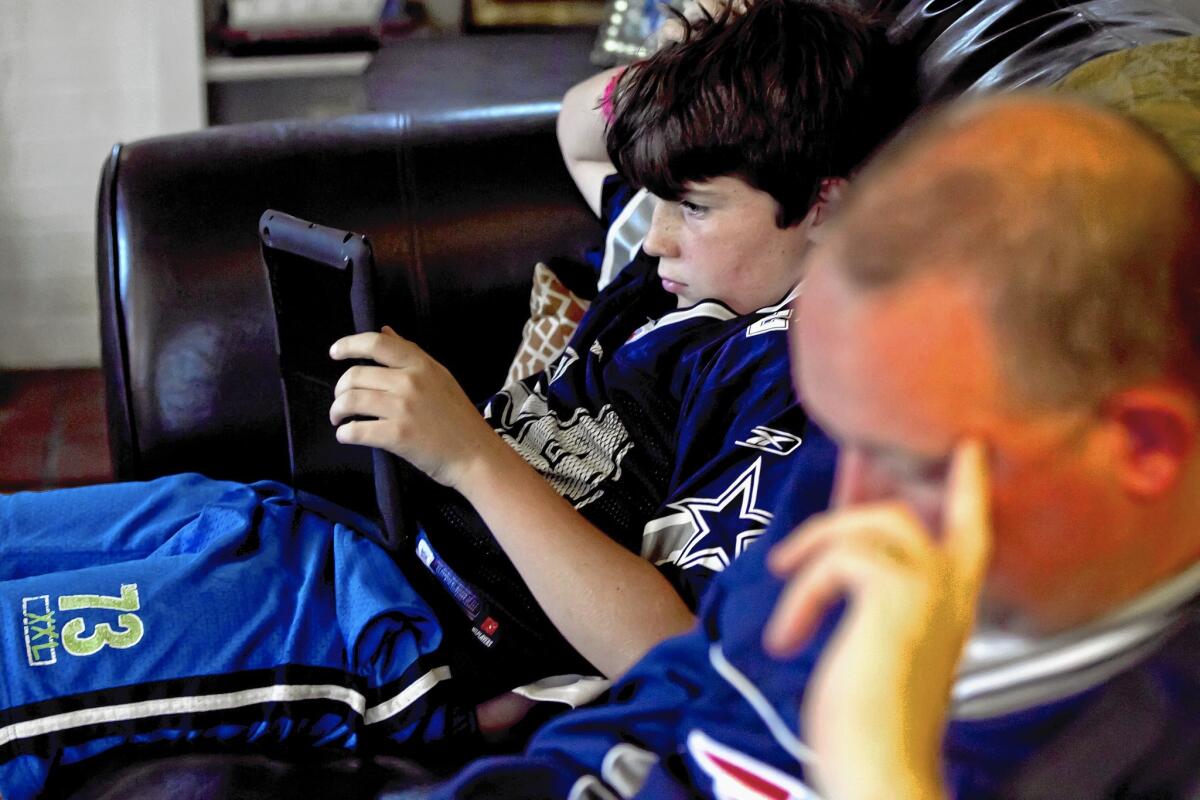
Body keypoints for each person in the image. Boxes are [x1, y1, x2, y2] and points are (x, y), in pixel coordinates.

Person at [0, 2, 913, 796]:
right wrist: (703, 65)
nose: (658, 234)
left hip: (394, 620)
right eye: (659, 199)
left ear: (826, 204)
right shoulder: (684, 266)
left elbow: (672, 656)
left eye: (697, 206)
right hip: (322, 519)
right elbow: (578, 128)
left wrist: (468, 455)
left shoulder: (791, 380)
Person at [429, 94, 1200, 799]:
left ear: (1143, 446)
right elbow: (672, 697)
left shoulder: (1158, 742)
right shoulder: (850, 471)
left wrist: (879, 760)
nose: (841, 506)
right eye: (839, 437)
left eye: (917, 464)